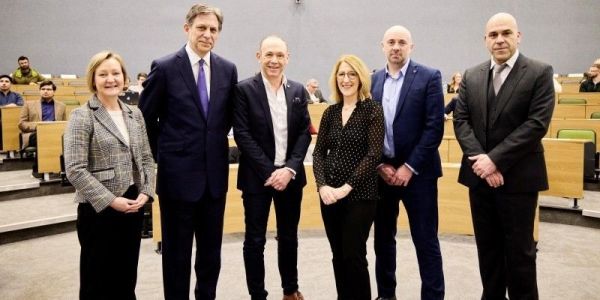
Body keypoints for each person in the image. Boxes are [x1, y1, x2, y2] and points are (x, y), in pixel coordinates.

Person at [138, 4, 238, 299]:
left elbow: (227, 119)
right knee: (176, 255)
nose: (207, 34)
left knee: (210, 256)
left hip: (214, 180)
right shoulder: (166, 66)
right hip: (176, 179)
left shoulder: (227, 69)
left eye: (213, 30)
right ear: (187, 28)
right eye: (202, 28)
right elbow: (145, 120)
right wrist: (167, 156)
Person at [453, 13, 555, 299]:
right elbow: (461, 121)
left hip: (519, 180)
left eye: (506, 33)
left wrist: (494, 160)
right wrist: (483, 163)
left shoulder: (539, 72)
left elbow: (536, 124)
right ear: (485, 40)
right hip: (479, 179)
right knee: (488, 251)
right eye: (493, 35)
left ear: (518, 36)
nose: (499, 40)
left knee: (520, 254)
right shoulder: (472, 75)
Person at [64, 50, 156, 300]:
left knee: (126, 279)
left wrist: (146, 191)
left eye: (115, 73)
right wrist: (111, 200)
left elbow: (147, 158)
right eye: (102, 74)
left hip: (133, 206)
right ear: (93, 79)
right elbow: (74, 169)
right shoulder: (82, 116)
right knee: (97, 282)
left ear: (124, 78)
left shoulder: (134, 114)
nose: (110, 79)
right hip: (99, 210)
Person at [233, 35, 311, 300]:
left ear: (287, 58)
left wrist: (288, 169)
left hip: (290, 178)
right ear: (259, 57)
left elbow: (304, 133)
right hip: (258, 180)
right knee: (255, 241)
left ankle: (290, 289)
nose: (274, 60)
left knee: (289, 237)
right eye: (269, 55)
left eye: (280, 55)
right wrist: (270, 171)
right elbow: (242, 135)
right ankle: (258, 295)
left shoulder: (298, 90)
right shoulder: (244, 90)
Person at [371, 25, 445, 300]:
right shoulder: (374, 80)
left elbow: (434, 127)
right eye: (390, 41)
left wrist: (409, 167)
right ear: (382, 46)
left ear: (411, 47)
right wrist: (379, 164)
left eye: (402, 42)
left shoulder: (428, 77)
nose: (396, 47)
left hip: (419, 175)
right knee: (383, 240)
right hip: (383, 174)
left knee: (425, 241)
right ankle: (386, 295)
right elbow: (369, 128)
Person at [313, 54, 384, 299]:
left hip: (361, 195)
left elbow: (374, 154)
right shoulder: (330, 112)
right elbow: (319, 153)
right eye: (342, 74)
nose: (346, 79)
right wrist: (322, 186)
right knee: (337, 255)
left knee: (354, 255)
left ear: (361, 78)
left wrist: (347, 187)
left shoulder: (372, 110)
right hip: (329, 196)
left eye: (352, 73)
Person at [18, 80, 67, 149]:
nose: (45, 91)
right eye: (43, 89)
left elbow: (64, 123)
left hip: (54, 132)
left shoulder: (61, 106)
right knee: (44, 135)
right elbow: (21, 124)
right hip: (35, 133)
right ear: (39, 91)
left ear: (54, 92)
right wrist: (39, 126)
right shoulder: (28, 104)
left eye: (48, 89)